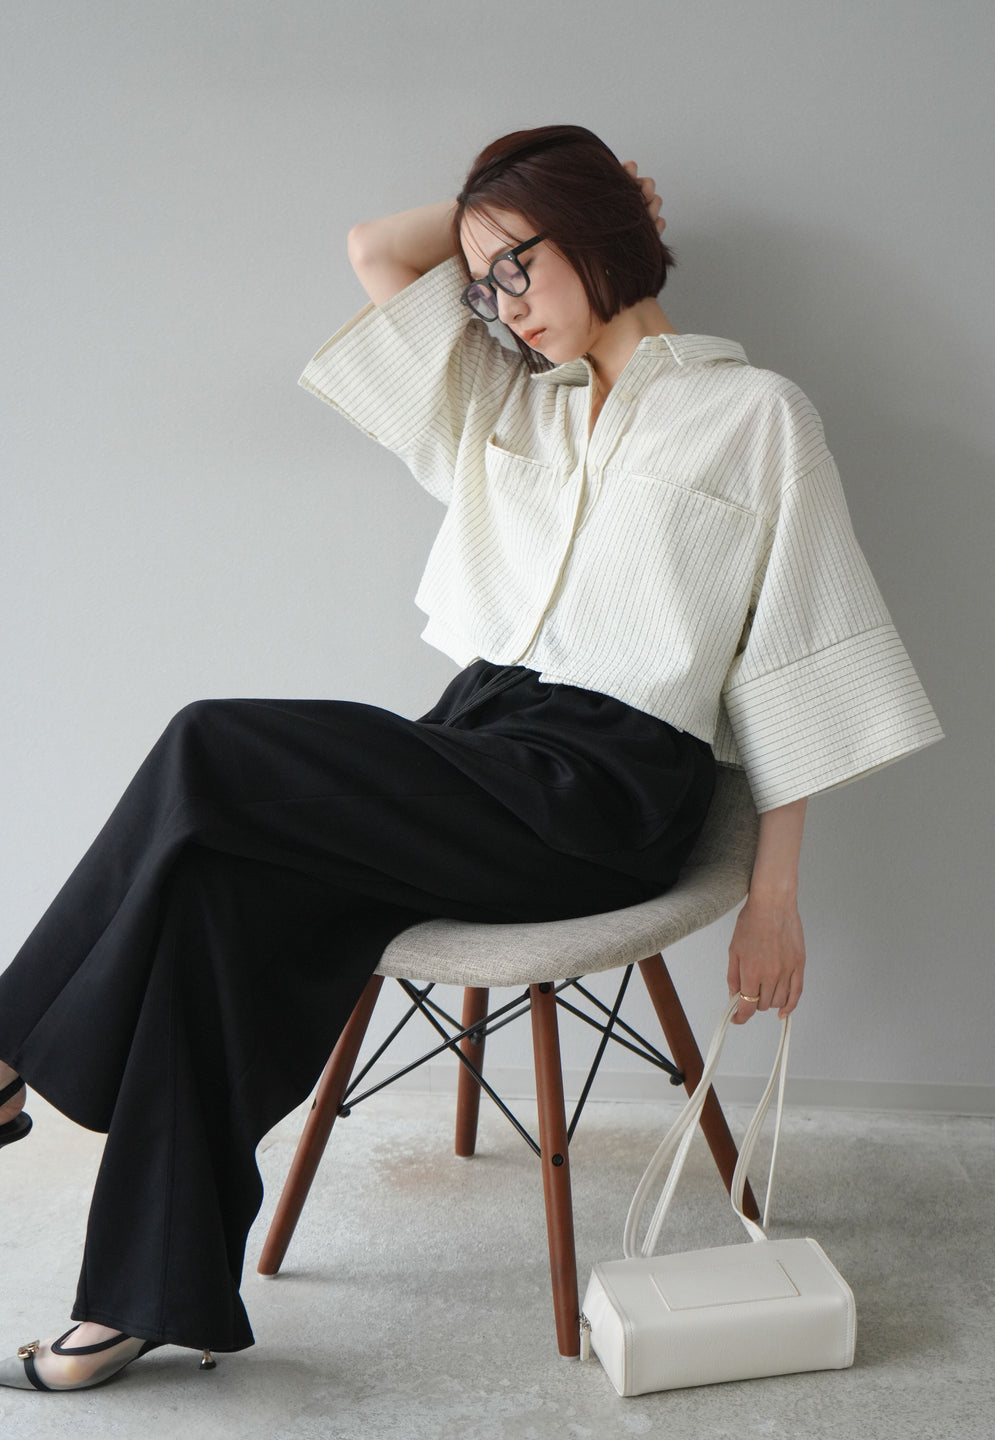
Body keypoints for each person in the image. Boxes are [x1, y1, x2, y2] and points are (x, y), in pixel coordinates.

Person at [0, 123, 943, 1393]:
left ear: (600, 233)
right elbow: (374, 251)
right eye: (481, 279)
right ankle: (139, 1302)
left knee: (207, 743)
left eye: (519, 269)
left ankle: (6, 1049)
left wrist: (774, 899)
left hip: (606, 788)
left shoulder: (757, 416)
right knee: (218, 893)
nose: (500, 303)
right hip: (480, 746)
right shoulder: (511, 403)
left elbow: (799, 662)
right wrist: (495, 222)